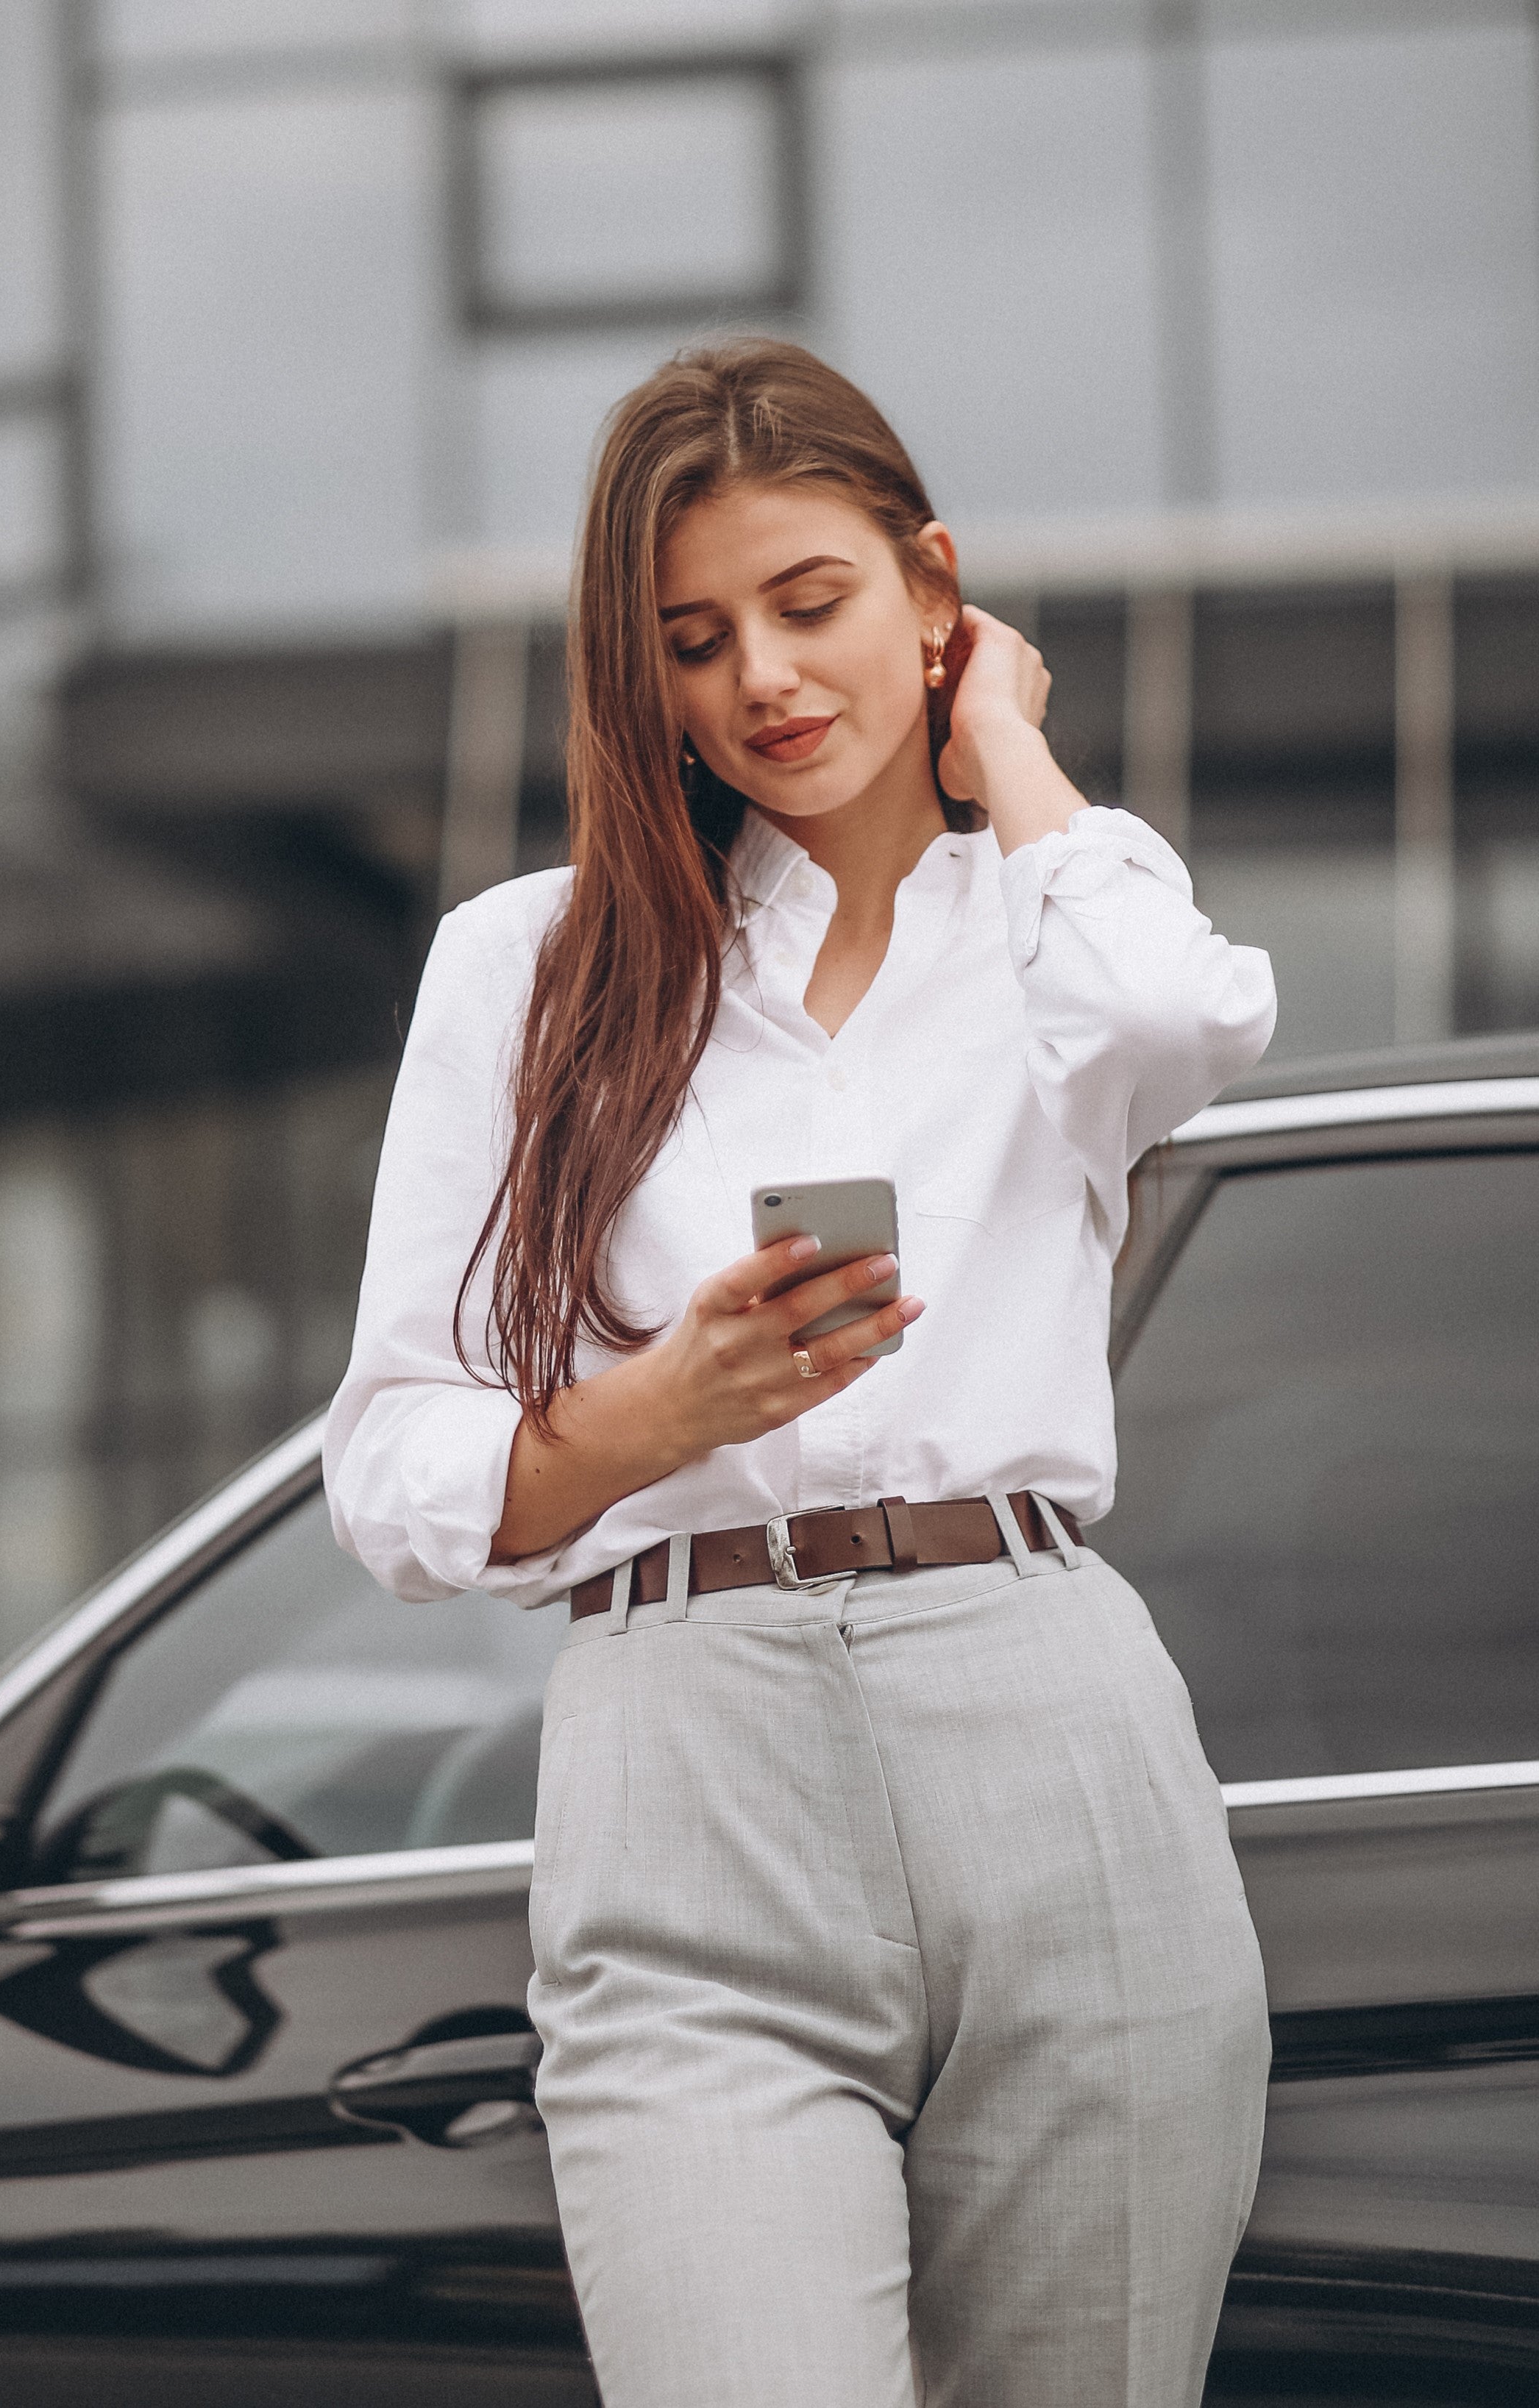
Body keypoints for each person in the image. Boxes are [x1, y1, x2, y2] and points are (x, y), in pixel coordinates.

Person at [324, 338, 1276, 2408]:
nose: (759, 675)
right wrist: (653, 1414)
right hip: (687, 1751)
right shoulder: (529, 968)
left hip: (1046, 1716)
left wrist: (1007, 741)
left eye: (812, 601)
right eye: (692, 638)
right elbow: (389, 1456)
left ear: (930, 586)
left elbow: (1185, 1015)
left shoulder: (1051, 930)